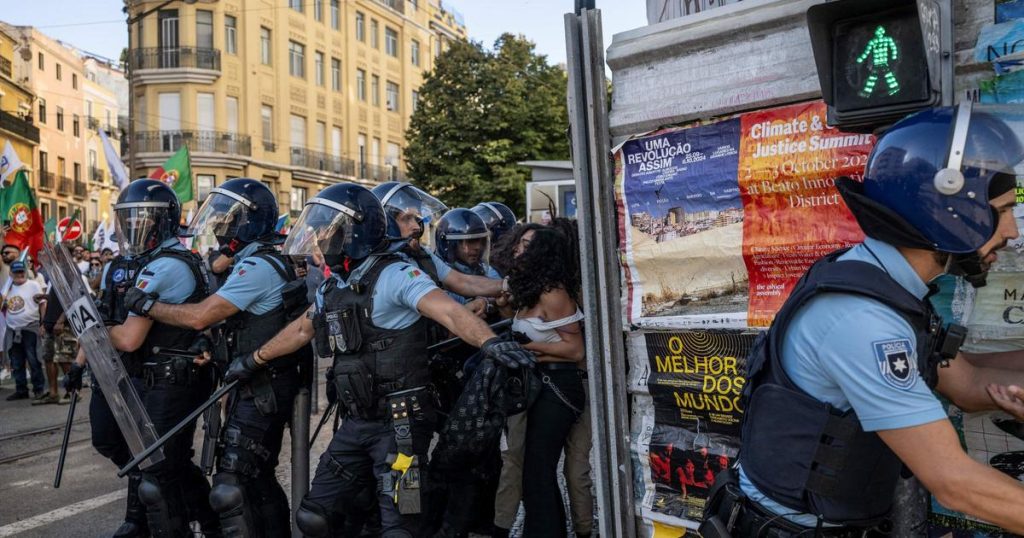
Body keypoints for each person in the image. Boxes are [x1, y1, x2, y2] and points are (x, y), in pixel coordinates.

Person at [702, 104, 1024, 536]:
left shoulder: (889, 288)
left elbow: (965, 383)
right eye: (1001, 211)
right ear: (949, 212)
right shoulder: (863, 321)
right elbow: (955, 483)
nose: (1012, 231)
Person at [221, 183, 537, 537]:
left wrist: (490, 343)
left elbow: (448, 310)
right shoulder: (335, 285)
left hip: (401, 425)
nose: (323, 238)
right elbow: (301, 330)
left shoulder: (397, 275)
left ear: (354, 233)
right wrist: (254, 359)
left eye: (333, 230)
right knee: (315, 516)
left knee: (401, 524)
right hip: (357, 421)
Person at [124, 178, 308, 537]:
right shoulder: (267, 259)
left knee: (233, 484)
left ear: (248, 221)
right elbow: (238, 321)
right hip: (260, 380)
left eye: (226, 219)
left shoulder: (256, 268)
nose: (219, 226)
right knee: (254, 479)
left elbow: (199, 315)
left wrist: (147, 304)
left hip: (262, 384)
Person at [105, 179, 220, 537]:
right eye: (129, 220)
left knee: (158, 472)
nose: (134, 227)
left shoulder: (163, 266)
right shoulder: (172, 258)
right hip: (174, 377)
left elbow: (128, 338)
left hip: (171, 380)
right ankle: (214, 526)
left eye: (143, 219)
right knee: (173, 465)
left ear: (164, 221)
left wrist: (97, 327)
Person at [493, 226, 586, 537]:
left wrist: (529, 350)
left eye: (527, 245)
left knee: (539, 468)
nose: (519, 250)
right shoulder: (530, 290)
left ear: (544, 254)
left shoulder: (554, 293)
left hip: (559, 387)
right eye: (519, 243)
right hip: (538, 385)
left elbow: (575, 349)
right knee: (532, 468)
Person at [371, 183, 504, 317]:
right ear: (385, 224)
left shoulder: (421, 254)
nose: (417, 226)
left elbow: (462, 282)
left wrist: (506, 285)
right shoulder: (385, 268)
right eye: (406, 219)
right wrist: (466, 310)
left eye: (416, 219)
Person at [435, 208, 502, 315]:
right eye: (471, 241)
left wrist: (489, 302)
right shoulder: (436, 278)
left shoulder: (487, 271)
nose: (478, 247)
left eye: (482, 241)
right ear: (449, 245)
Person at [4, 261, 46, 401]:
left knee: (34, 360)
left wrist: (43, 323)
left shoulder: (33, 285)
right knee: (16, 362)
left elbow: (42, 303)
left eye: (22, 271)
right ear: (11, 273)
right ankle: (21, 390)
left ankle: (38, 389)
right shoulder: (6, 288)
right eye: (16, 272)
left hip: (30, 327)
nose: (20, 274)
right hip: (12, 329)